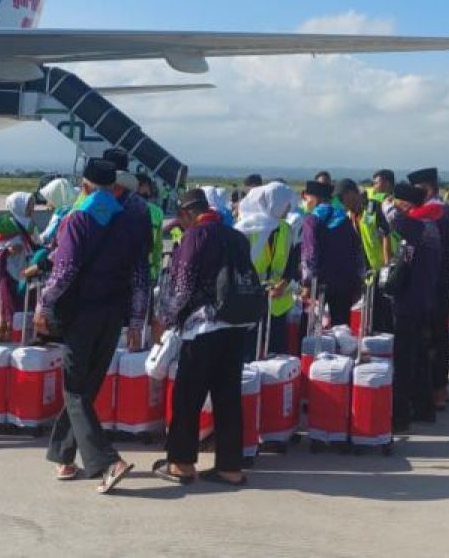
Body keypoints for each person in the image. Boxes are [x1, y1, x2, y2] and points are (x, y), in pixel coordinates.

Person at [33, 159, 146, 493]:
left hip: (80, 313)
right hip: (114, 314)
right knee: (85, 387)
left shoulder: (77, 219)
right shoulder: (131, 221)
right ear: (114, 187)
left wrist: (44, 304)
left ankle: (108, 461)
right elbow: (141, 275)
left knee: (74, 389)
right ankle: (64, 457)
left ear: (84, 186)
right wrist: (138, 319)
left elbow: (64, 271)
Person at [153, 188, 250, 487]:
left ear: (186, 214)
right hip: (236, 325)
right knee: (228, 397)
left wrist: (164, 319)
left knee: (188, 396)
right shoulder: (236, 236)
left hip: (203, 327)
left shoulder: (194, 237)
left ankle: (181, 464)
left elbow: (182, 287)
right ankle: (230, 467)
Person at [383, 182, 441, 430]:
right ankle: (423, 408)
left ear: (407, 204)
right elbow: (406, 257)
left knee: (405, 359)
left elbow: (395, 220)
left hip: (412, 303)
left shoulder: (424, 226)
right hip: (419, 299)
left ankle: (400, 416)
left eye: (400, 203)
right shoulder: (425, 227)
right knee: (418, 357)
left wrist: (386, 205)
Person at [407, 167, 449, 409]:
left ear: (426, 190)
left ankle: (438, 389)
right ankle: (434, 388)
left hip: (436, 282)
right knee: (432, 334)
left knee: (435, 334)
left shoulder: (437, 213)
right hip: (434, 281)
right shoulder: (437, 211)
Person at [236, 181, 299, 357]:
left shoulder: (285, 228)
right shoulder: (246, 229)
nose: (288, 208)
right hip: (250, 300)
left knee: (276, 357)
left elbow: (292, 262)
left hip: (277, 303)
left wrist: (284, 283)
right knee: (248, 354)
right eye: (286, 203)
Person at [300, 179, 365, 327]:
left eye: (307, 198)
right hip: (344, 285)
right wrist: (357, 283)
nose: (306, 202)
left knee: (312, 329)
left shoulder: (313, 219)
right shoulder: (343, 218)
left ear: (316, 198)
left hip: (320, 285)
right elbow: (357, 252)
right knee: (341, 330)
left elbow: (310, 254)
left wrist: (307, 284)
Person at [0, 192, 38, 340]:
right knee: (5, 306)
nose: (32, 209)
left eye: (32, 205)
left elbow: (35, 243)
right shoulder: (6, 225)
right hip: (8, 273)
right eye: (28, 205)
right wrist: (7, 251)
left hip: (24, 271)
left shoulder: (30, 224)